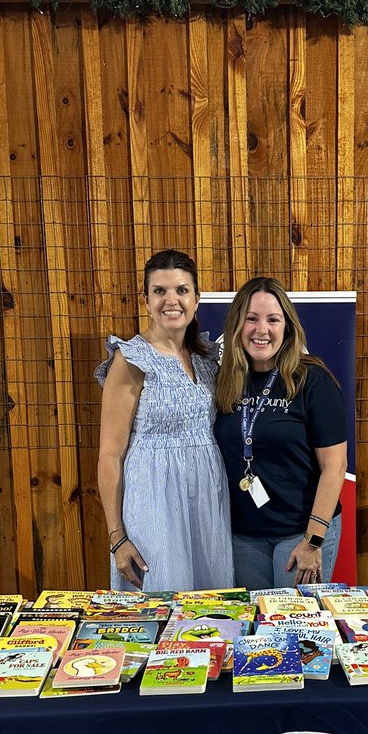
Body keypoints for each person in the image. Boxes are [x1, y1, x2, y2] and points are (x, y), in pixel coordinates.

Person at [95, 250, 234, 592]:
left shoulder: (206, 356)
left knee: (211, 606)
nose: (171, 300)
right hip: (154, 499)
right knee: (161, 598)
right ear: (146, 299)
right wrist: (117, 537)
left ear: (197, 298)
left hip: (206, 496)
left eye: (181, 290)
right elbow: (110, 456)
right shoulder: (130, 360)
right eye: (160, 291)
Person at [214, 277, 347, 589]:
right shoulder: (224, 382)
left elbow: (335, 466)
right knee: (256, 626)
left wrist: (313, 540)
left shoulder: (312, 380)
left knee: (296, 629)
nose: (262, 330)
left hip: (300, 534)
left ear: (287, 327)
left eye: (273, 320)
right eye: (251, 318)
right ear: (237, 325)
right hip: (243, 538)